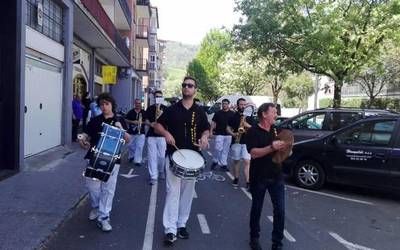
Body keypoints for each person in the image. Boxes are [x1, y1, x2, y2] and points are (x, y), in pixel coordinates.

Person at [154, 76, 210, 246]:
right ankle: (170, 229)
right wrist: (166, 133)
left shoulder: (199, 112)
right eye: (184, 85)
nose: (187, 87)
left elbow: (206, 129)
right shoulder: (172, 110)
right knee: (172, 193)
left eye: (190, 85)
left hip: (193, 158)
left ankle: (181, 223)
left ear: (195, 90)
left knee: (187, 193)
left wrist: (205, 137)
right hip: (173, 155)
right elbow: (157, 125)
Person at [78, 93, 131, 232]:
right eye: (101, 104)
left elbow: (128, 139)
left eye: (106, 104)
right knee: (92, 186)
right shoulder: (95, 120)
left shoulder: (120, 120)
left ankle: (104, 217)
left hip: (113, 158)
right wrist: (81, 139)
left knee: (108, 189)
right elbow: (85, 134)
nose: (104, 107)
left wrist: (121, 129)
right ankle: (96, 207)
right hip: (94, 156)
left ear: (112, 105)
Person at [245, 103, 287, 250]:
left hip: (277, 176)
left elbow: (282, 150)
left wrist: (286, 150)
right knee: (257, 208)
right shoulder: (253, 132)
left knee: (280, 210)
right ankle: (254, 238)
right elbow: (254, 153)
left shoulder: (276, 130)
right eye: (274, 112)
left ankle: (277, 243)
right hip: (259, 176)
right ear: (264, 114)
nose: (276, 115)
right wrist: (271, 148)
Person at [227, 98, 254, 189]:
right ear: (238, 105)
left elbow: (254, 129)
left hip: (247, 142)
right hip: (236, 141)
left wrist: (247, 125)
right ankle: (236, 178)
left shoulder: (250, 116)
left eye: (244, 104)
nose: (243, 106)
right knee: (236, 161)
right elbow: (228, 128)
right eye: (241, 104)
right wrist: (233, 134)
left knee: (247, 161)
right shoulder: (233, 116)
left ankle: (248, 181)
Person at [144, 90, 167, 185]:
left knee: (162, 156)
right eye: (156, 96)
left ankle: (161, 170)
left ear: (162, 97)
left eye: (160, 96)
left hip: (162, 136)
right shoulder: (150, 108)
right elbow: (146, 120)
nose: (158, 98)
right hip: (151, 136)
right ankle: (153, 176)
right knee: (152, 157)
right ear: (154, 97)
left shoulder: (166, 109)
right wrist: (151, 124)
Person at [210, 98, 234, 171]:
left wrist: (233, 132)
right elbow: (213, 122)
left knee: (225, 150)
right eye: (223, 104)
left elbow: (235, 123)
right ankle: (215, 161)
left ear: (228, 105)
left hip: (228, 135)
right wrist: (211, 131)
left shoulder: (232, 113)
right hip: (219, 133)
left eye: (226, 104)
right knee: (217, 148)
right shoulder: (218, 113)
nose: (224, 105)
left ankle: (223, 164)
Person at [125, 99, 146, 167]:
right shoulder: (131, 112)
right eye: (136, 103)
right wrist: (133, 122)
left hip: (141, 132)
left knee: (140, 146)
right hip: (131, 132)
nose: (138, 105)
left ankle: (137, 161)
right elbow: (125, 119)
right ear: (134, 104)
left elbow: (147, 121)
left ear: (141, 104)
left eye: (139, 103)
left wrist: (141, 122)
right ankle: (132, 156)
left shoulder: (144, 112)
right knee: (130, 145)